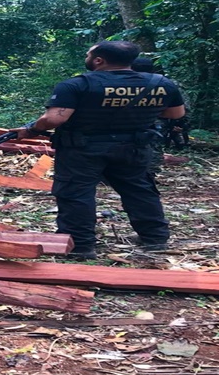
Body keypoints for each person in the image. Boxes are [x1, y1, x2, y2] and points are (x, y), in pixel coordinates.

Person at [13, 41, 185, 259]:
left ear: (98, 60)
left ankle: (80, 246)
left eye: (88, 54)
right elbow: (175, 114)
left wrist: (31, 129)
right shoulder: (161, 83)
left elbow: (55, 118)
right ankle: (155, 239)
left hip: (82, 148)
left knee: (76, 193)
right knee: (139, 190)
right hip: (134, 147)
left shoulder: (77, 84)